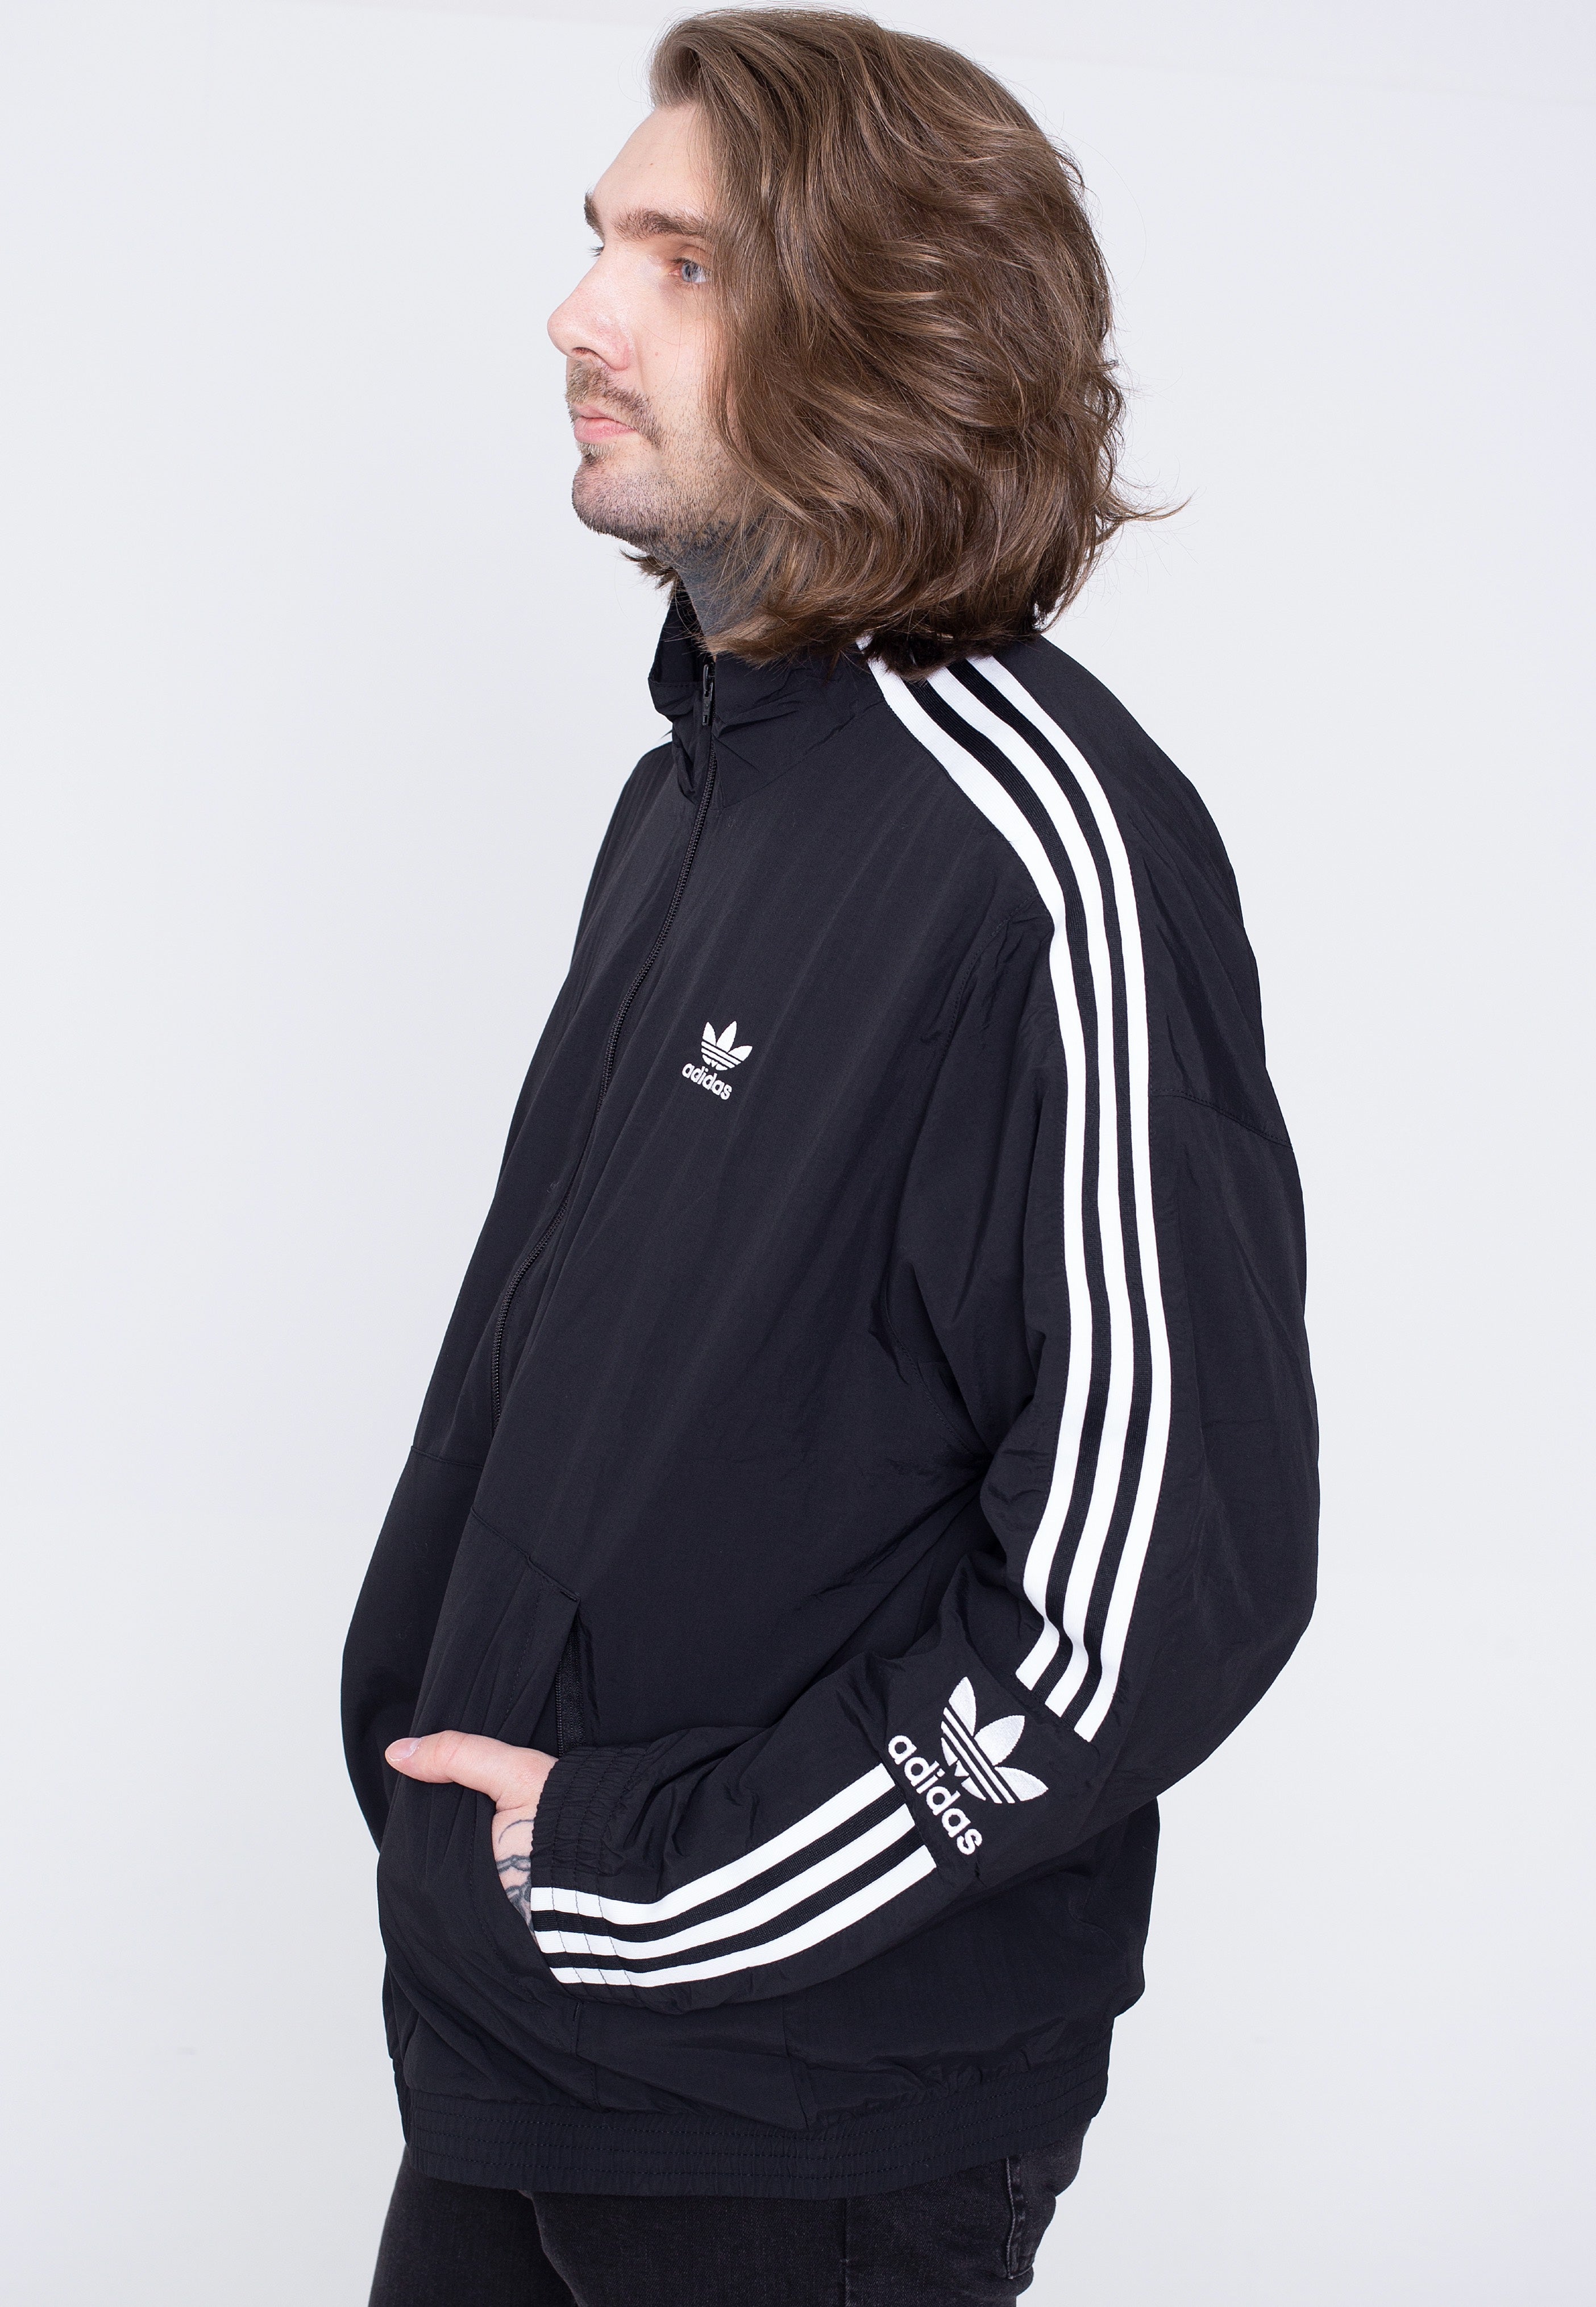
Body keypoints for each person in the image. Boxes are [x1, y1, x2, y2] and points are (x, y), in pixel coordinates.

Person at [342, 11, 1319, 2302]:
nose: (578, 313)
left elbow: (1151, 1588)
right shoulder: (701, 786)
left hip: (802, 2131)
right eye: (602, 243)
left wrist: (654, 1871)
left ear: (892, 329)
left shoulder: (1046, 855)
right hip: (527, 2049)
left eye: (678, 261)